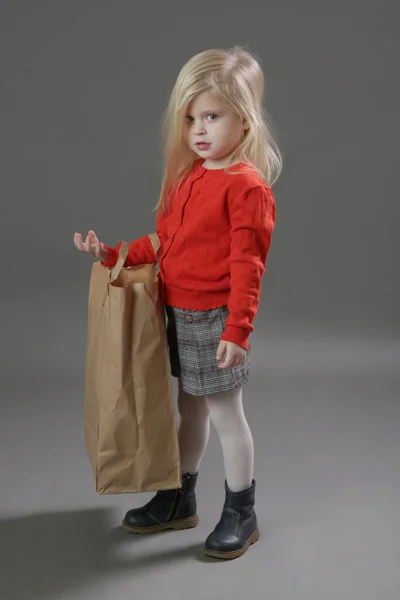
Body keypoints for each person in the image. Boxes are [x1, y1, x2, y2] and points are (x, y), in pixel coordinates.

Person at [74, 46, 282, 560]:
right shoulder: (193, 174)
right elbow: (168, 241)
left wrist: (237, 330)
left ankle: (241, 509)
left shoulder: (246, 188)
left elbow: (247, 266)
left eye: (212, 116)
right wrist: (116, 254)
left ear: (245, 119)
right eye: (191, 118)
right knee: (189, 410)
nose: (199, 130)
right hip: (175, 309)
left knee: (226, 413)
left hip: (214, 318)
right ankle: (178, 496)